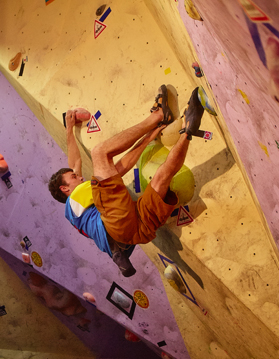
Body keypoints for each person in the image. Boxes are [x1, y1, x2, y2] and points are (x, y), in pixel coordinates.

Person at [48, 86, 205, 276]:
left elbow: (75, 162)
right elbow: (119, 169)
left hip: (137, 232)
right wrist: (150, 133)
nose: (80, 176)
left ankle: (188, 131)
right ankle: (158, 115)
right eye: (74, 178)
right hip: (116, 225)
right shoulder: (75, 199)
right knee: (99, 153)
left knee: (162, 177)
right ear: (65, 189)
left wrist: (69, 130)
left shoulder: (79, 209)